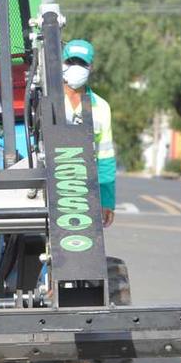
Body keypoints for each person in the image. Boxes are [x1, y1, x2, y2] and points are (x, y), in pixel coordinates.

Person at [62, 39, 117, 227]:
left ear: (90, 67)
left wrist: (107, 201)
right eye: (71, 62)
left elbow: (105, 156)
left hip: (85, 190)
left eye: (82, 63)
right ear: (62, 64)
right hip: (55, 187)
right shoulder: (47, 100)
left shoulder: (101, 107)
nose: (76, 67)